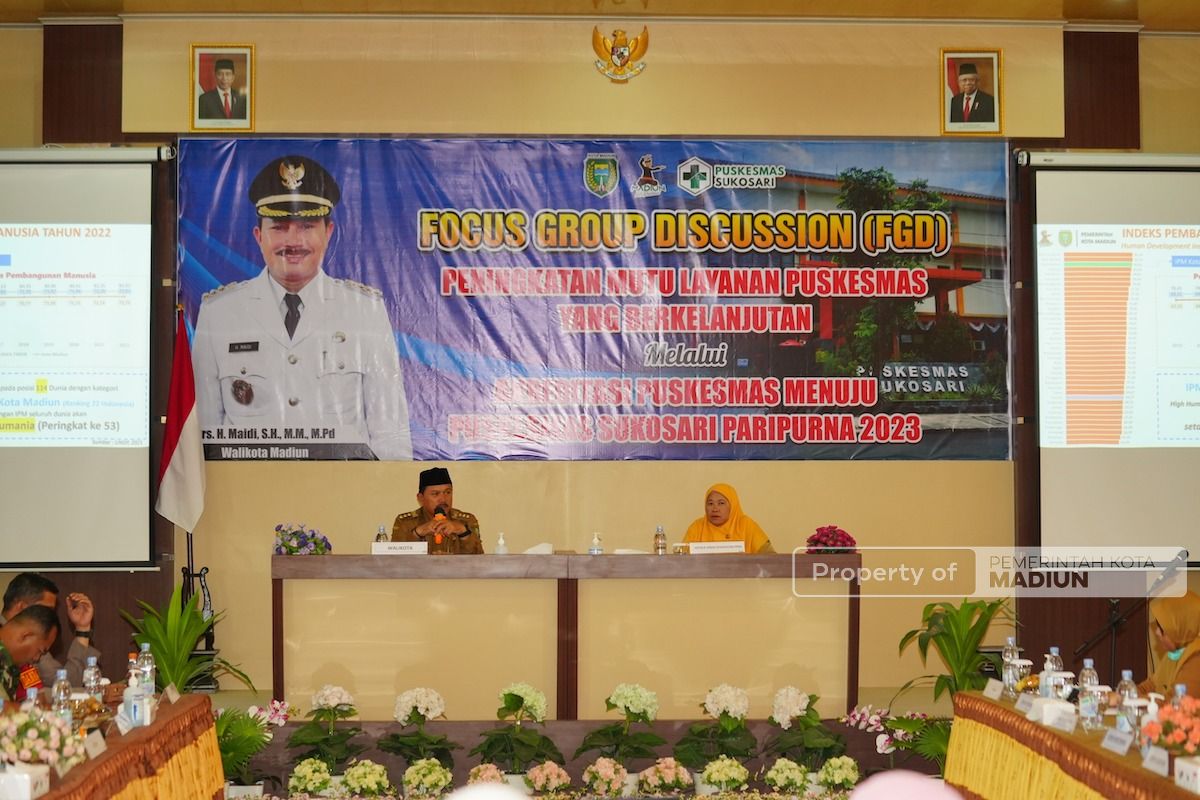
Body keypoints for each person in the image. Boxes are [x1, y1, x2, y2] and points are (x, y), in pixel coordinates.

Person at [193, 154, 413, 460]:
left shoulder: (364, 311)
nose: (293, 241)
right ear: (259, 236)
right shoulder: (219, 314)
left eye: (307, 226)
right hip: (249, 487)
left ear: (328, 233)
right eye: (279, 227)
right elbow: (201, 434)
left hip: (340, 487)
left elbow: (390, 433)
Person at [0, 573, 99, 688]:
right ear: (22, 607)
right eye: (45, 610)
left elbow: (65, 684)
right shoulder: (28, 644)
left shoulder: (34, 645)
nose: (35, 658)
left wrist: (82, 629)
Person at [392, 467, 482, 554]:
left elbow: (480, 560)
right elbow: (394, 559)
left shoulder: (466, 521)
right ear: (421, 498)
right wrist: (417, 533)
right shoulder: (405, 522)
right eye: (435, 494)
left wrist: (463, 532)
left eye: (447, 492)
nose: (443, 499)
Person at [1138, 590, 1200, 697]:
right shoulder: (1174, 654)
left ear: (1180, 629)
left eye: (1162, 629)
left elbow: (1174, 701)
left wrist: (1130, 700)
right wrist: (1125, 694)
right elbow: (1148, 686)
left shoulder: (1196, 657)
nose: (1157, 632)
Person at [683, 483, 775, 553]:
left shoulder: (746, 525)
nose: (715, 509)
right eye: (710, 503)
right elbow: (682, 559)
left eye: (721, 503)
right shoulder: (697, 527)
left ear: (732, 506)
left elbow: (770, 557)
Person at [0, 605, 60, 702]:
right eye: (39, 651)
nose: (36, 658)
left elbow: (39, 702)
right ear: (26, 636)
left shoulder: (23, 666)